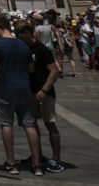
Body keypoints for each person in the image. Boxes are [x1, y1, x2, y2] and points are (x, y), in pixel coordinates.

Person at [0, 16, 42, 176]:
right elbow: (31, 69)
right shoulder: (23, 44)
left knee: (6, 124)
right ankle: (37, 164)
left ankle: (11, 163)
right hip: (24, 89)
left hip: (4, 89)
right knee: (29, 125)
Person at [16, 20, 64, 173]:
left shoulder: (41, 49)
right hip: (30, 92)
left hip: (45, 93)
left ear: (28, 33)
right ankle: (37, 156)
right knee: (32, 125)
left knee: (50, 124)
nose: (17, 37)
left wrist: (44, 90)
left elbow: (54, 71)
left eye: (19, 34)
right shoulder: (24, 48)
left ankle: (56, 159)